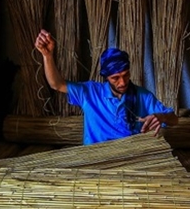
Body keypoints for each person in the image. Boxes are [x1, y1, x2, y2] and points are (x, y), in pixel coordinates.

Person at [34, 29, 178, 145]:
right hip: (97, 160)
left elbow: (174, 120)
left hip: (130, 159)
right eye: (115, 78)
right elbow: (56, 84)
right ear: (106, 77)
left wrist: (162, 116)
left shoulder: (143, 96)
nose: (122, 82)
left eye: (126, 75)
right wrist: (47, 56)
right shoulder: (90, 93)